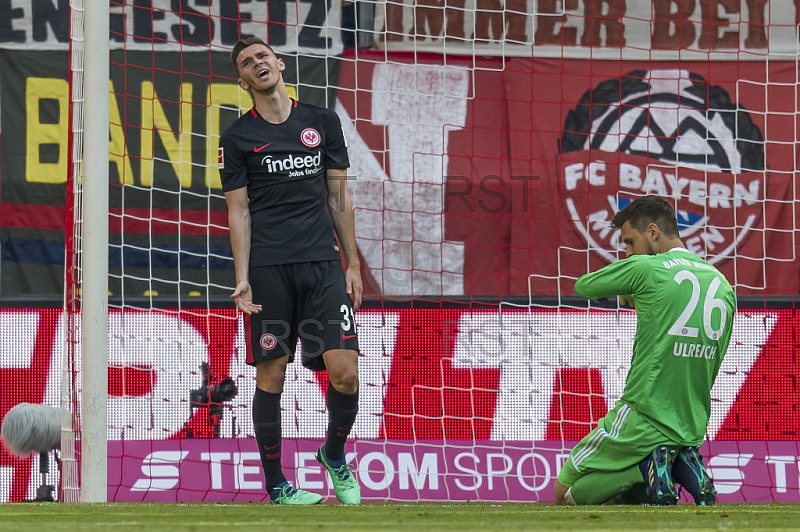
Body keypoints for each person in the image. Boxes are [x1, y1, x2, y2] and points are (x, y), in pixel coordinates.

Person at [219, 37, 362, 505]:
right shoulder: (237, 137)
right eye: (246, 62)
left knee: (345, 374)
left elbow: (339, 198)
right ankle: (278, 485)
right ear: (242, 80)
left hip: (322, 266)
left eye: (262, 56)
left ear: (279, 64)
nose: (257, 63)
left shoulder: (322, 121)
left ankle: (334, 454)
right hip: (268, 270)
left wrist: (353, 264)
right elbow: (238, 211)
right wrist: (241, 276)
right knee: (272, 375)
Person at [552, 195, 735, 506]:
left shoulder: (645, 268)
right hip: (690, 425)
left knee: (563, 493)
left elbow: (584, 286)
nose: (627, 252)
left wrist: (628, 283)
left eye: (629, 242)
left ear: (653, 232)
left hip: (643, 413)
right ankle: (674, 466)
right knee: (633, 499)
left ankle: (643, 468)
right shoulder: (723, 284)